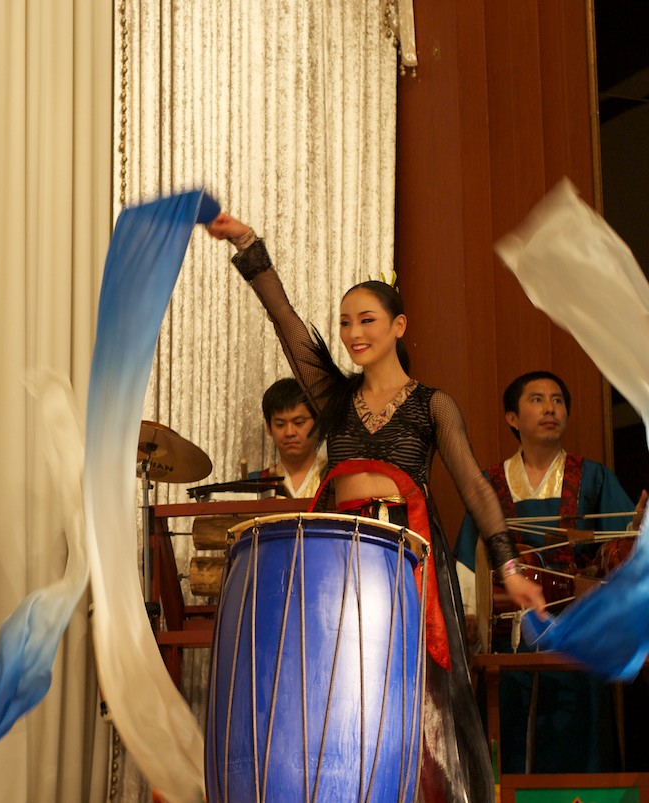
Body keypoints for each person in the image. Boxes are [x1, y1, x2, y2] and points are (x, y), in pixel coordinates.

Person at [205, 213, 545, 802]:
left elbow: (473, 486)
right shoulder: (333, 397)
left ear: (398, 325)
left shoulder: (433, 405)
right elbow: (285, 321)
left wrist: (509, 567)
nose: (353, 333)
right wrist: (247, 244)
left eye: (366, 320)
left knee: (405, 691)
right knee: (338, 687)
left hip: (404, 558)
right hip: (336, 559)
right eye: (344, 322)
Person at [455, 370, 645, 774]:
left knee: (579, 749)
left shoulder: (593, 477)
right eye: (537, 399)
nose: (550, 409)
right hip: (508, 643)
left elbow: (622, 548)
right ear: (512, 417)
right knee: (509, 750)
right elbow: (469, 561)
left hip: (576, 635)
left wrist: (636, 532)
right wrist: (471, 616)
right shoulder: (488, 484)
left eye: (558, 400)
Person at [250, 377, 325, 498]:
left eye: (299, 423)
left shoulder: (334, 480)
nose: (289, 432)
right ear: (268, 427)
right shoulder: (257, 484)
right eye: (280, 424)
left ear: (317, 423)